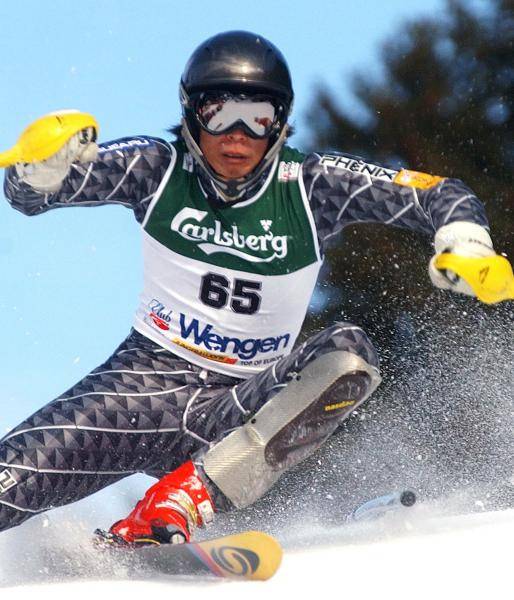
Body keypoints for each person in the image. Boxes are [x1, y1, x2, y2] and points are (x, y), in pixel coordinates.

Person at [0, 30, 499, 546]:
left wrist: (465, 239)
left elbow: (437, 193)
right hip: (135, 395)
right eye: (219, 114)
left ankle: (185, 500)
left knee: (349, 353)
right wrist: (38, 172)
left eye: (258, 117)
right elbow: (30, 196)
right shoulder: (157, 167)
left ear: (280, 122)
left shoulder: (311, 184)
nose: (237, 136)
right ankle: (140, 528)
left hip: (243, 410)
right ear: (191, 114)